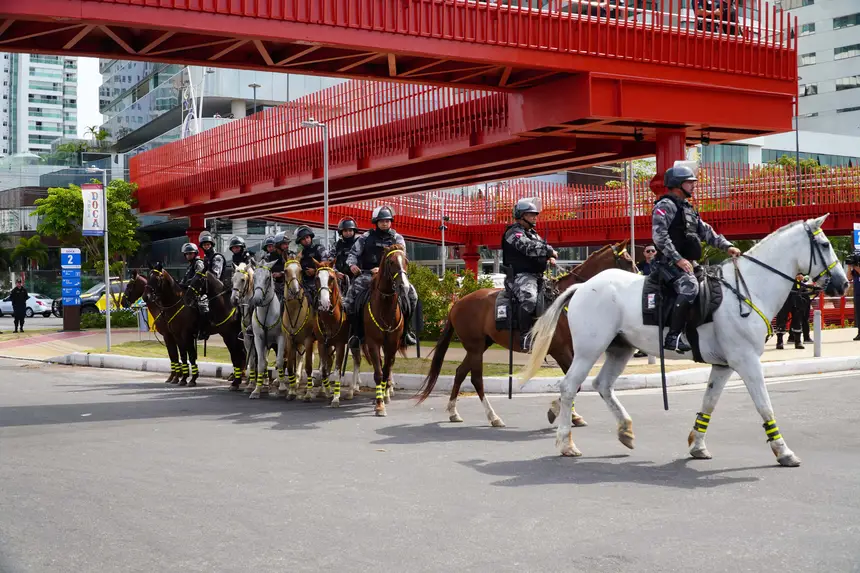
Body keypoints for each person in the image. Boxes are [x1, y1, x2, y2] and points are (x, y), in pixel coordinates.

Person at [652, 165, 741, 352]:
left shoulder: (688, 208)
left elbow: (706, 232)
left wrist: (728, 247)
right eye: (689, 182)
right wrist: (678, 259)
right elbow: (659, 237)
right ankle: (673, 336)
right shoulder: (665, 205)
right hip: (669, 263)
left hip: (688, 263)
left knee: (713, 282)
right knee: (690, 286)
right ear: (677, 184)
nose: (693, 186)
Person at [344, 206, 418, 349]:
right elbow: (352, 254)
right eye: (382, 221)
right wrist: (352, 265)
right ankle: (357, 334)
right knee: (349, 300)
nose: (385, 223)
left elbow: (402, 257)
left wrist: (383, 269)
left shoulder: (397, 238)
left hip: (393, 276)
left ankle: (406, 332)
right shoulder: (365, 238)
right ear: (376, 222)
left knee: (412, 296)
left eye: (387, 221)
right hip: (367, 275)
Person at [502, 198, 558, 352]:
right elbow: (527, 247)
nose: (535, 217)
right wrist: (549, 251)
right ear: (521, 216)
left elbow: (541, 246)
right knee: (530, 300)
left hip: (538, 275)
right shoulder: (513, 233)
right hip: (521, 276)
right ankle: (525, 337)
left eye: (535, 214)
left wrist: (549, 257)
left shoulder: (533, 233)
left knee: (557, 293)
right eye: (531, 214)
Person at [179, 242, 208, 340]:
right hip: (190, 292)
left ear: (195, 253)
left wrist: (188, 282)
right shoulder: (189, 266)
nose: (188, 255)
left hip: (200, 291)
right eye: (187, 254)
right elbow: (184, 279)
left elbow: (199, 277)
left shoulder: (198, 263)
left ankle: (203, 330)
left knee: (202, 307)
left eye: (190, 253)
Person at [296, 226, 328, 299]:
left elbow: (327, 266)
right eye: (303, 239)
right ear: (300, 242)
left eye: (307, 237)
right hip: (305, 284)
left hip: (321, 282)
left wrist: (315, 271)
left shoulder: (319, 248)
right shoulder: (300, 254)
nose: (306, 240)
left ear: (310, 237)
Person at [332, 217, 359, 293]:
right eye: (345, 231)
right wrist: (336, 272)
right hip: (339, 278)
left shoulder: (359, 243)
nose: (348, 233)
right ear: (341, 232)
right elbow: (330, 260)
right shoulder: (337, 245)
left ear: (354, 231)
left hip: (357, 277)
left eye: (350, 230)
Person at [850, 252, 860, 341]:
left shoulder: (857, 269)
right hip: (857, 294)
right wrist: (849, 267)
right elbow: (849, 277)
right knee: (858, 314)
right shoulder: (855, 271)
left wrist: (855, 266)